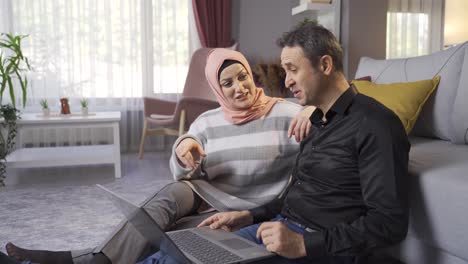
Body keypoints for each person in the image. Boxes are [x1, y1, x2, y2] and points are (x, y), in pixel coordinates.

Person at [5, 49, 314, 264]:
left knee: (163, 238)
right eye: (227, 83)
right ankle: (91, 260)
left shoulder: (286, 113)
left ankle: (84, 258)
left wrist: (315, 109)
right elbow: (183, 172)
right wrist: (183, 150)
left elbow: (332, 122)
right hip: (203, 195)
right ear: (217, 89)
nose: (239, 88)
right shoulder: (207, 120)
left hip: (246, 208)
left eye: (243, 77)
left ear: (251, 75)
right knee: (170, 196)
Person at [141, 22, 410, 264]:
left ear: (325, 65)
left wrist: (304, 244)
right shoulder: (315, 121)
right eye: (285, 71)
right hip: (280, 227)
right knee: (172, 253)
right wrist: (249, 215)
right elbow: (297, 196)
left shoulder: (376, 124)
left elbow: (389, 223)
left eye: (292, 69)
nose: (287, 80)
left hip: (317, 247)